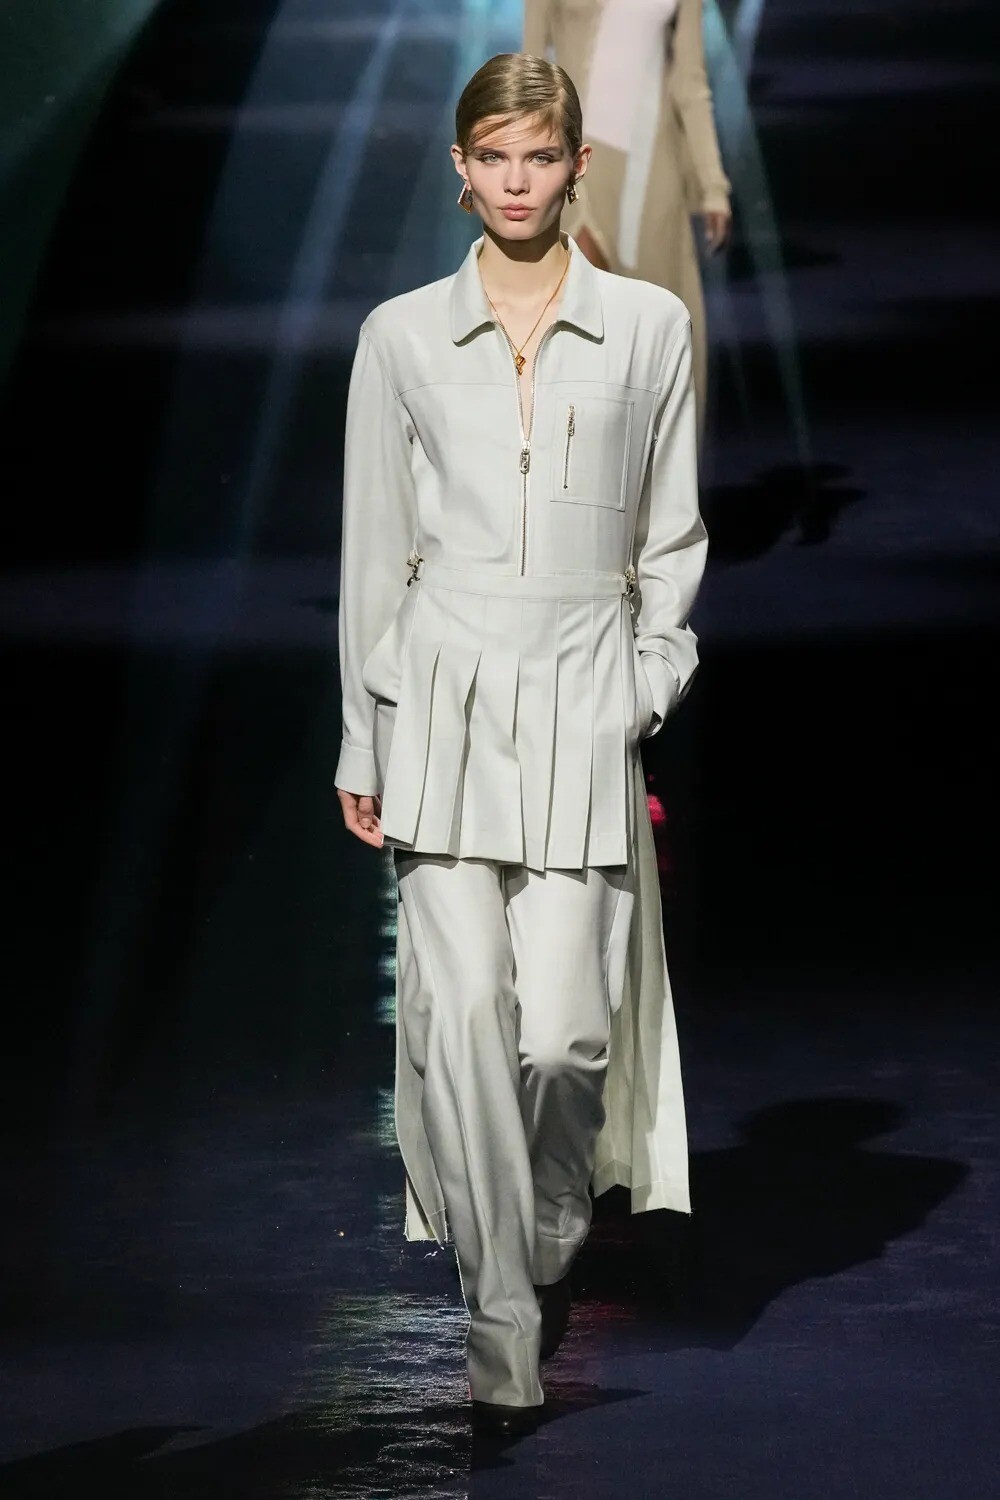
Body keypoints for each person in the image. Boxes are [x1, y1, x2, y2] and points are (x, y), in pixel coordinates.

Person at [335, 51, 706, 1437]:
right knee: (464, 1032)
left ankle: (551, 1218)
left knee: (560, 1040)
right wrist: (361, 737)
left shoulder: (649, 327)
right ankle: (500, 1321)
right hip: (439, 700)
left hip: (583, 696)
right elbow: (375, 550)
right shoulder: (399, 338)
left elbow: (670, 535)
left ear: (575, 165)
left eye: (538, 157)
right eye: (491, 157)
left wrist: (646, 682)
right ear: (459, 166)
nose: (514, 181)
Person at [523, 0, 731, 430]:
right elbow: (531, 69)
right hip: (576, 169)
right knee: (574, 342)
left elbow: (689, 82)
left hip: (653, 178)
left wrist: (713, 184)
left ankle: (653, 471)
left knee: (652, 353)